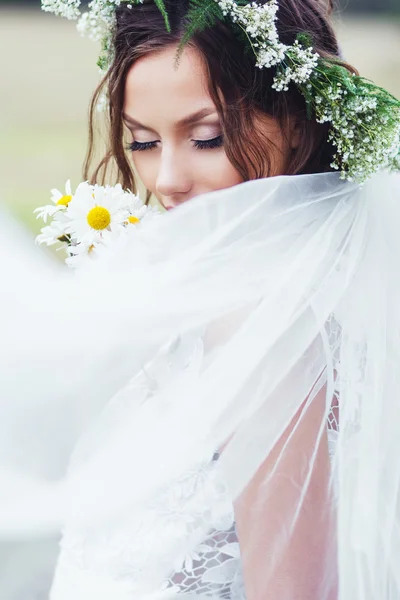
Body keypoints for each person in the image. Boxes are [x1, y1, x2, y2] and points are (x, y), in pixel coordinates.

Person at [1, 1, 400, 600]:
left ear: (296, 120)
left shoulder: (268, 328)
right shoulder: (228, 296)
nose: (166, 180)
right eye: (142, 142)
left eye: (207, 138)